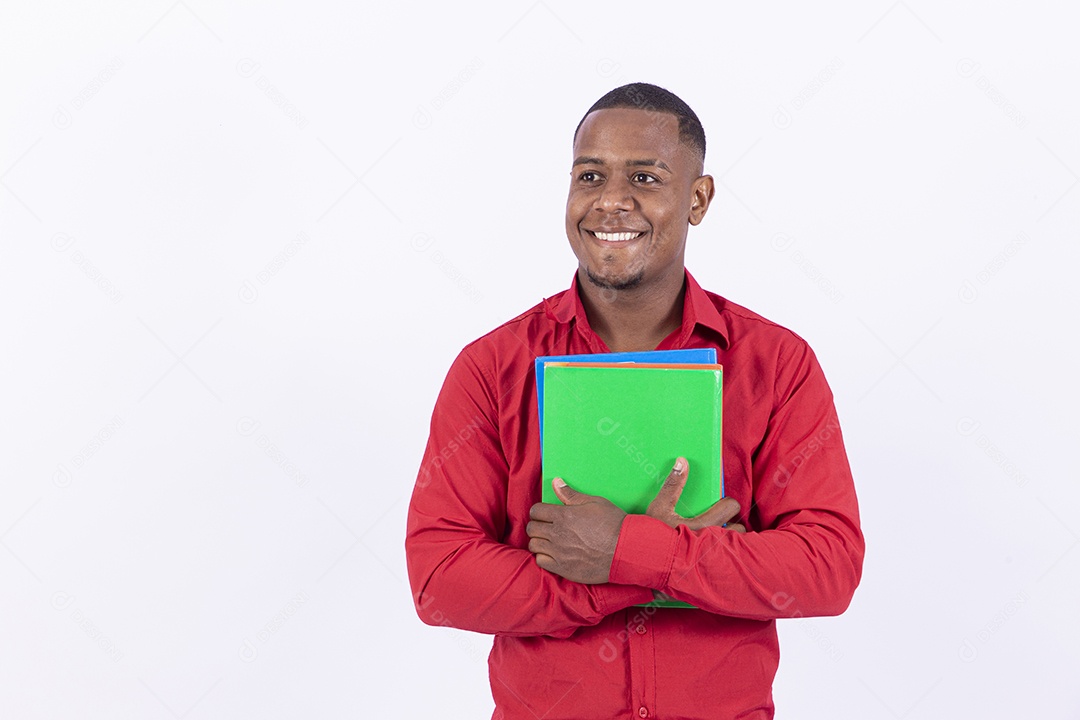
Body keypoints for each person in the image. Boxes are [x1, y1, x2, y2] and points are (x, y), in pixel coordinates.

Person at [405, 82, 864, 720]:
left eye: (645, 178)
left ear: (698, 199)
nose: (611, 201)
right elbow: (439, 579)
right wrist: (632, 573)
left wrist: (625, 549)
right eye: (590, 176)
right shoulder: (491, 368)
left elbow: (827, 568)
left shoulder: (776, 363)